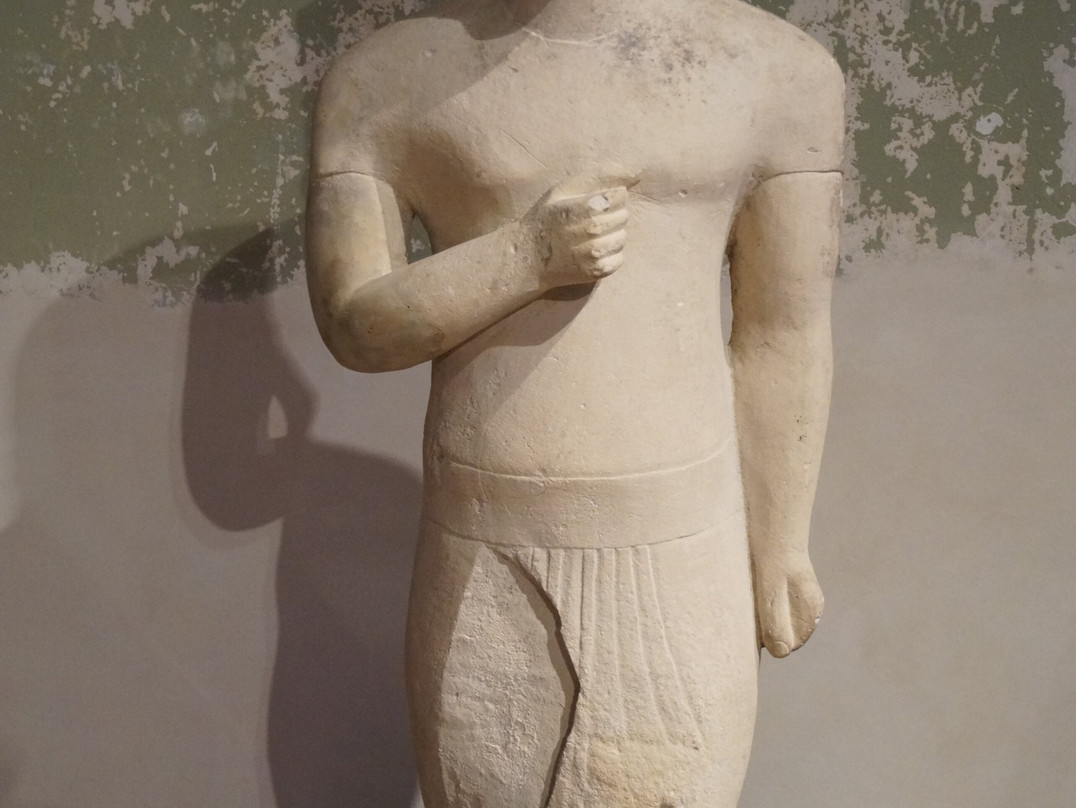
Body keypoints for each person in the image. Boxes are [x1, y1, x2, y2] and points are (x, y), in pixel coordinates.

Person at [305, 0, 843, 804]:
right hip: (486, 539)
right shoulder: (385, 78)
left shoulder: (778, 72)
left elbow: (781, 332)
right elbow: (356, 325)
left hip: (681, 543)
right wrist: (526, 256)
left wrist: (781, 543)